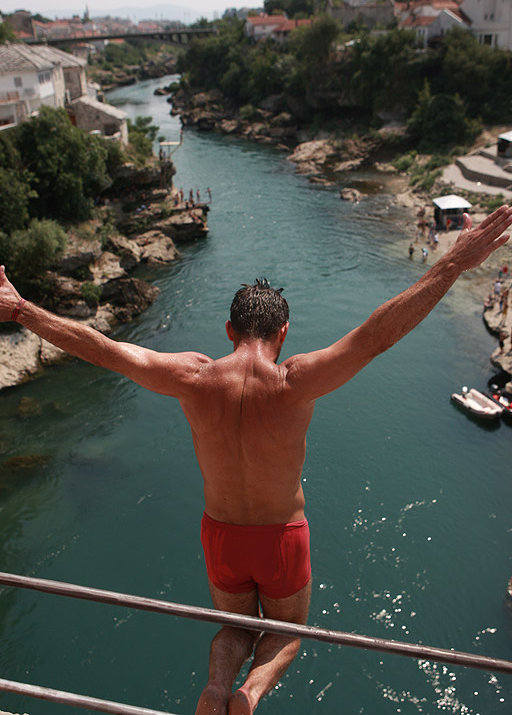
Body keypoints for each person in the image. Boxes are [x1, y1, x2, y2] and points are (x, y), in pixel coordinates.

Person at [1, 205, 511, 715]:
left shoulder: (193, 378)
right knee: (287, 636)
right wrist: (450, 265)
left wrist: (23, 309)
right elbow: (377, 336)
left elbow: (107, 350)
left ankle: (219, 686)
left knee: (234, 629)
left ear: (228, 330)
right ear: (283, 331)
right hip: (282, 537)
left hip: (222, 533)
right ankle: (250, 693)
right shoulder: (294, 381)